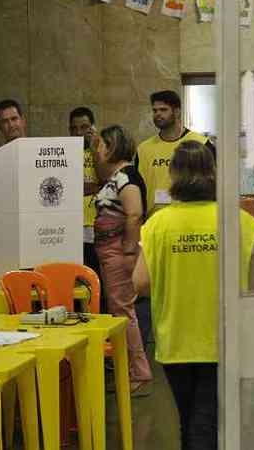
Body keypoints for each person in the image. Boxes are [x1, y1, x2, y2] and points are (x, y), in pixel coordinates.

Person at [133, 141, 254, 450]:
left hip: (175, 341)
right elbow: (253, 286)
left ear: (174, 175)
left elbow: (140, 283)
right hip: (222, 341)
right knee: (207, 423)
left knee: (189, 420)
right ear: (214, 173)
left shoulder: (157, 225)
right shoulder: (239, 221)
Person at [93, 125, 153, 395]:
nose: (97, 150)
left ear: (113, 146)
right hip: (111, 252)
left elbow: (134, 214)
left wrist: (129, 249)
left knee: (123, 312)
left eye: (101, 145)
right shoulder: (117, 177)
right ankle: (130, 368)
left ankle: (138, 371)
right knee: (121, 311)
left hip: (119, 253)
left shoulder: (127, 177)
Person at [137, 90, 216, 218]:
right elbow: (137, 188)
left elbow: (215, 181)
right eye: (155, 110)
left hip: (192, 217)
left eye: (163, 110)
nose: (158, 114)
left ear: (177, 112)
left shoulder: (201, 144)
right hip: (155, 220)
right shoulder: (143, 149)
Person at [68, 106, 105, 311]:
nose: (79, 133)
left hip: (95, 225)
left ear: (93, 128)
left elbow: (105, 180)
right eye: (74, 128)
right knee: (76, 283)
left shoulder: (100, 151)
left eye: (84, 127)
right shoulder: (63, 152)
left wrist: (94, 149)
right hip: (72, 228)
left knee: (96, 281)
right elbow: (67, 187)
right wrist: (93, 187)